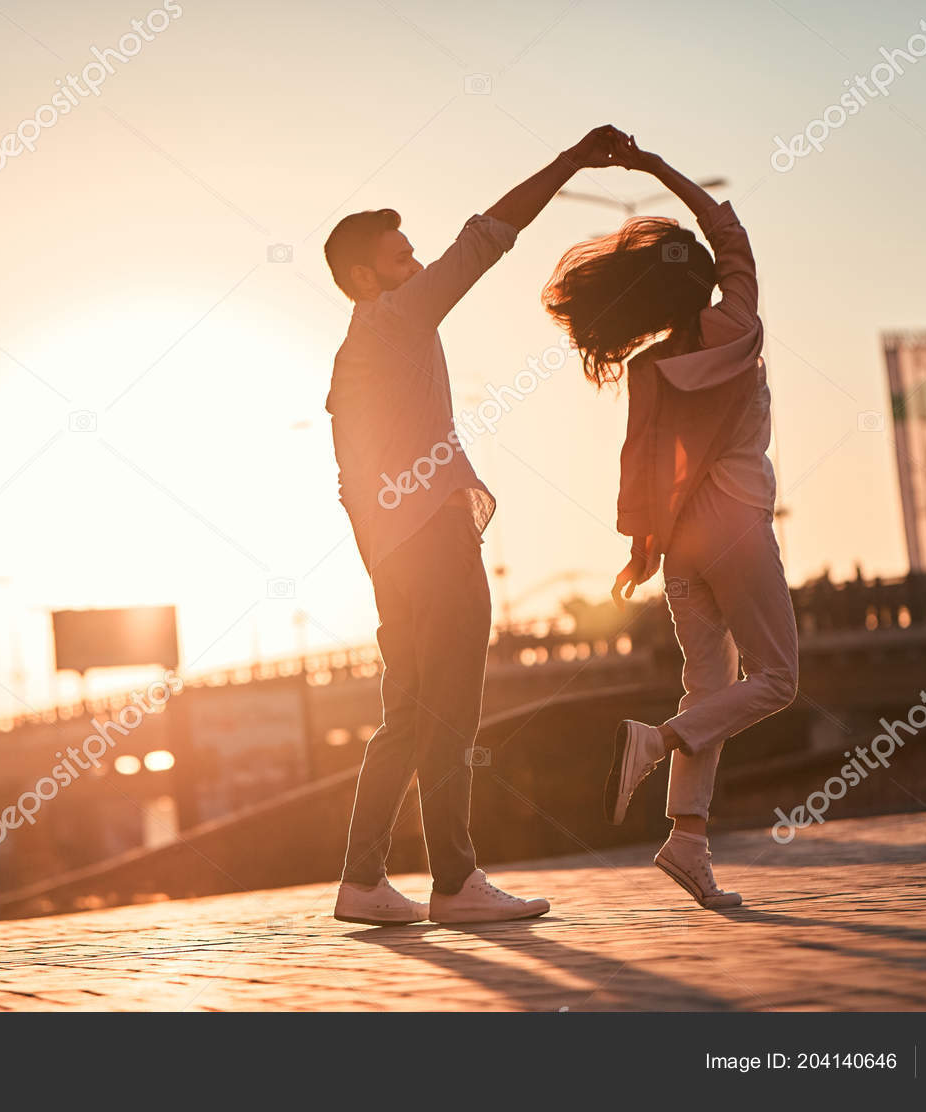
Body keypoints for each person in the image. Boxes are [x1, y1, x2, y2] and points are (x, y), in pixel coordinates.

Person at [325, 125, 629, 925]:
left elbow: (347, 479)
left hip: (395, 555)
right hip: (431, 543)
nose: (418, 267)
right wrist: (568, 161)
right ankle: (456, 884)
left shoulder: (353, 353)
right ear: (365, 278)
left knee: (407, 717)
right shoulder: (396, 319)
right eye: (401, 259)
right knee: (451, 715)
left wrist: (380, 558)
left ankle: (363, 881)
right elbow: (486, 239)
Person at [541, 136, 799, 910]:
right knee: (778, 680)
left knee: (707, 684)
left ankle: (687, 841)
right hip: (735, 521)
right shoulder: (739, 325)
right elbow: (729, 233)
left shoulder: (650, 369)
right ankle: (655, 743)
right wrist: (655, 168)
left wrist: (639, 545)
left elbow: (640, 461)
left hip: (681, 537)